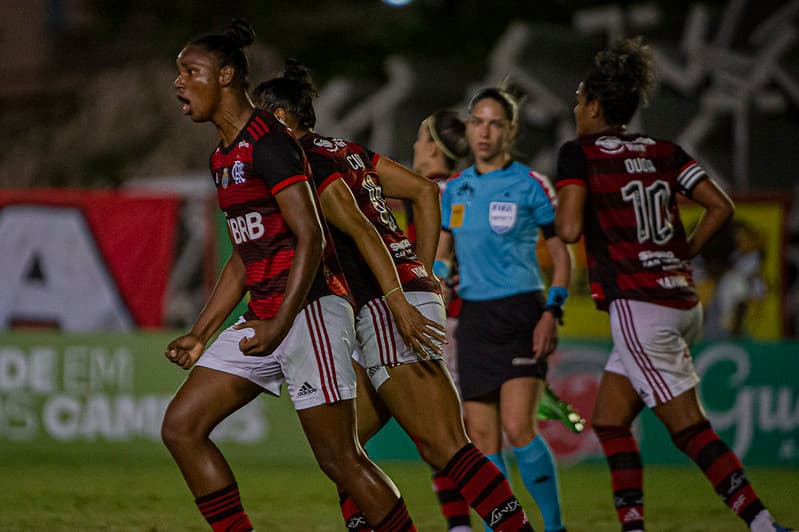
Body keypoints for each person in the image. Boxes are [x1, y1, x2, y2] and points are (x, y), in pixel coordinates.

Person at [253, 61, 536, 532]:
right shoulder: (345, 150)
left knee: (447, 447)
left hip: (387, 305)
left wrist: (402, 295)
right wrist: (421, 272)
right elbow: (424, 192)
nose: (252, 132)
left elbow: (366, 228)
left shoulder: (302, 163)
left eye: (258, 120)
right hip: (396, 298)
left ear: (279, 118)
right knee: (344, 453)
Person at [161, 20, 417, 532]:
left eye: (191, 71)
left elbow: (312, 237)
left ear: (226, 75)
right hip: (267, 315)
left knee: (341, 460)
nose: (179, 82)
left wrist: (280, 324)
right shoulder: (223, 156)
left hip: (309, 312)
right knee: (182, 427)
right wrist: (201, 333)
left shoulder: (269, 143)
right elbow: (244, 256)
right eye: (179, 72)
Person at [554, 36, 794, 532]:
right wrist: (683, 251)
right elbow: (721, 206)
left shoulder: (580, 154)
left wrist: (554, 211)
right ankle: (633, 526)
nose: (576, 110)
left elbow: (570, 229)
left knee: (688, 428)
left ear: (595, 106)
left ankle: (763, 524)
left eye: (579, 101)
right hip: (681, 299)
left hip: (639, 305)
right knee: (610, 420)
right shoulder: (662, 150)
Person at [436, 87, 571, 532]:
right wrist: (435, 285)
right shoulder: (455, 189)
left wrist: (552, 311)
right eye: (478, 122)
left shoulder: (530, 184)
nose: (484, 132)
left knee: (518, 427)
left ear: (510, 130)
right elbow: (443, 255)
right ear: (468, 126)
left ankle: (554, 527)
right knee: (482, 438)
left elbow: (562, 256)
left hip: (520, 313)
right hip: (473, 319)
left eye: (495, 124)